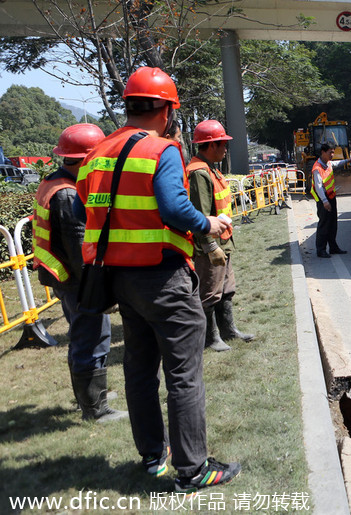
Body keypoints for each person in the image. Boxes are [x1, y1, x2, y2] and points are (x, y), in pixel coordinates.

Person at [74, 66, 241, 492]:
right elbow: (173, 209)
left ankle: (153, 457)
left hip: (119, 279)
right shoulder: (161, 150)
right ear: (167, 111)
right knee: (184, 372)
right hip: (163, 277)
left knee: (140, 369)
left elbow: (82, 212)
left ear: (128, 105)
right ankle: (193, 468)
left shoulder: (97, 153)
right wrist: (209, 222)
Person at [33, 123, 128, 424]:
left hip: (62, 276)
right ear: (88, 158)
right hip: (76, 279)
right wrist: (100, 289)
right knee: (93, 336)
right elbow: (81, 251)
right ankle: (95, 408)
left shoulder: (55, 182)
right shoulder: (67, 194)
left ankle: (90, 395)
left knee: (83, 336)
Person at [187, 120, 254, 352]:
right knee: (209, 292)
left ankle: (228, 330)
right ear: (210, 145)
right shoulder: (198, 173)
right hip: (211, 245)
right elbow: (200, 214)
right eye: (222, 144)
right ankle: (210, 337)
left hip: (223, 241)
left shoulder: (211, 168)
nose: (226, 149)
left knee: (226, 289)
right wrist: (210, 246)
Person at [312, 143, 351, 258]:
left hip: (331, 197)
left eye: (333, 152)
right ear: (323, 152)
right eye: (330, 152)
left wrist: (348, 161)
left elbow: (337, 163)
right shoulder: (317, 168)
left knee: (333, 224)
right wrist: (324, 201)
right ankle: (321, 250)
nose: (332, 155)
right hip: (323, 199)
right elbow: (319, 187)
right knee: (324, 224)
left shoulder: (327, 163)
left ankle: (333, 247)